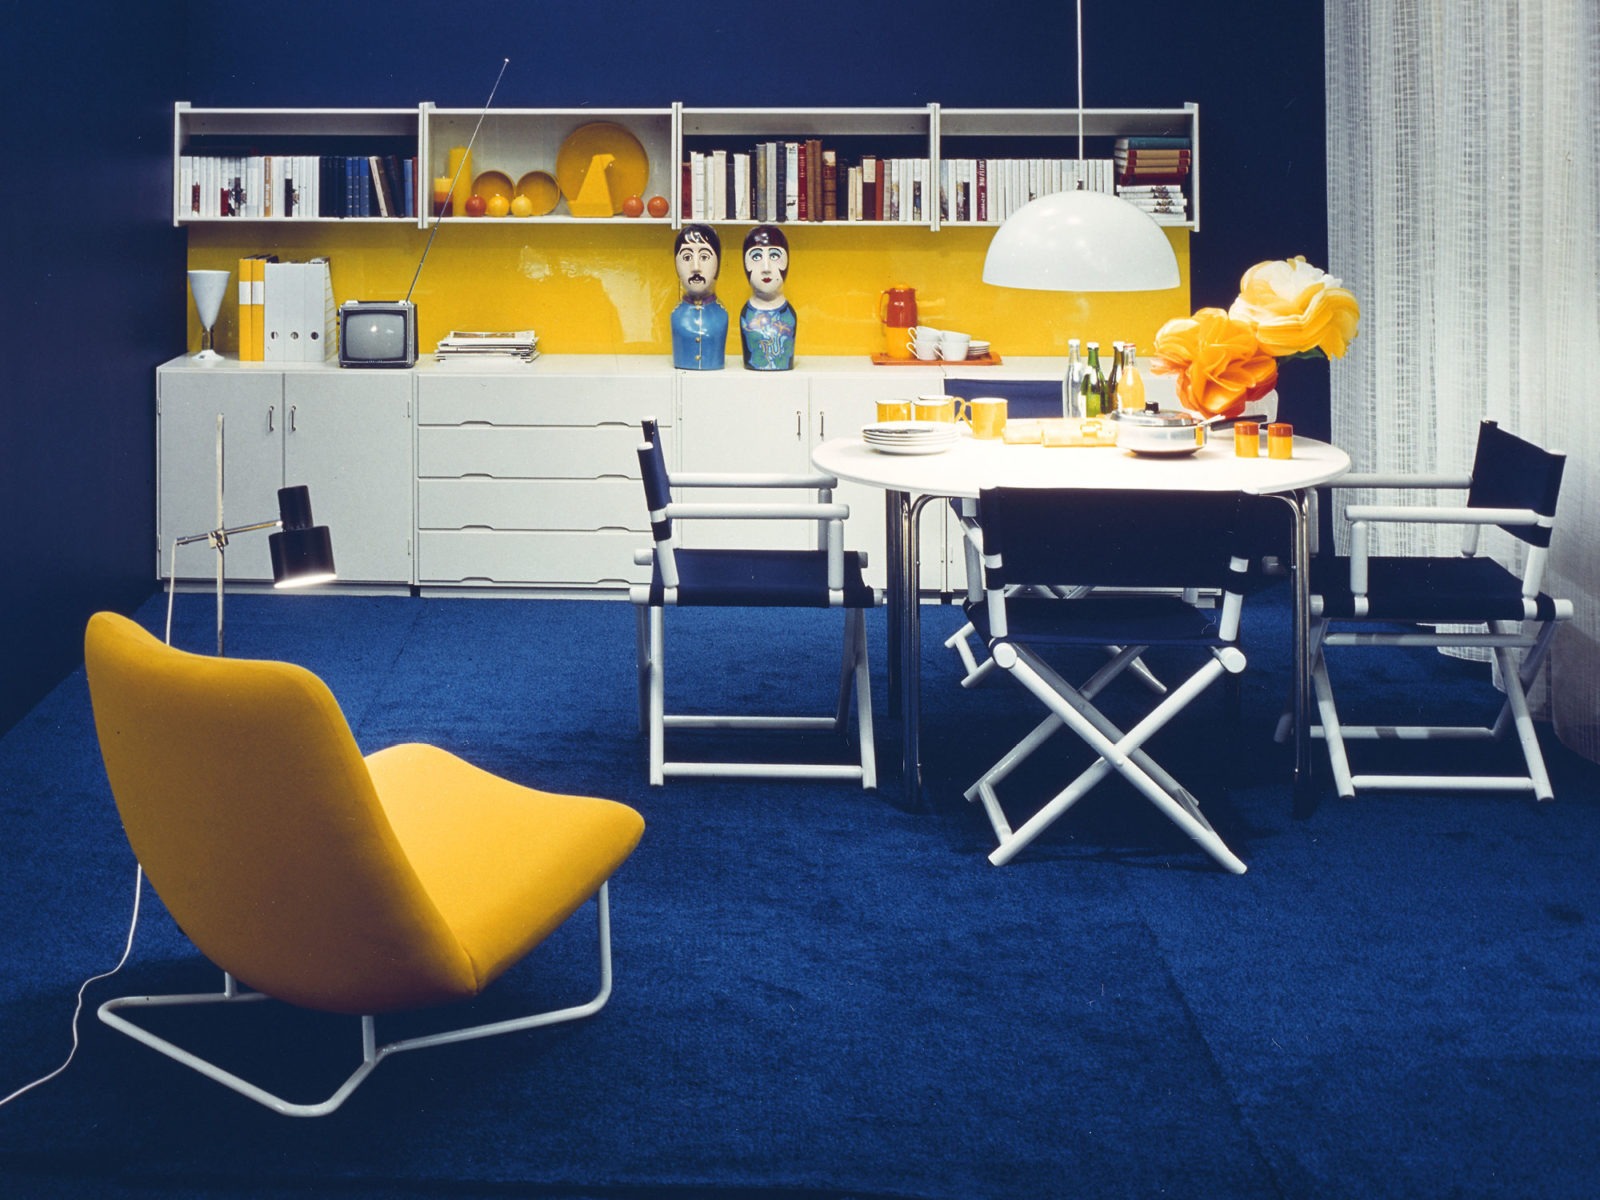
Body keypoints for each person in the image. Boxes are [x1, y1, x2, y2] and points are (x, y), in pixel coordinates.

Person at [738, 224, 795, 371]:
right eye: (756, 256)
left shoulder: (789, 315)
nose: (766, 268)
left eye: (775, 256)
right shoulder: (746, 316)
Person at [670, 224, 727, 370]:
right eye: (687, 257)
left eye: (704, 257)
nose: (695, 267)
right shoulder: (677, 315)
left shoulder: (722, 314)